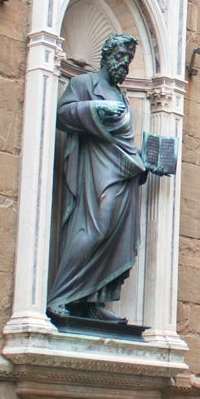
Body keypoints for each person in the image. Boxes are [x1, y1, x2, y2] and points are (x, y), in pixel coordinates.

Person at [48, 33, 165, 326]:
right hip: (97, 170)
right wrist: (95, 109)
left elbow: (124, 141)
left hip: (125, 171)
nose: (124, 63)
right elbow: (62, 114)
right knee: (95, 228)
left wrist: (147, 159)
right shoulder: (84, 84)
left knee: (115, 234)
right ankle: (59, 297)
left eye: (128, 59)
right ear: (106, 55)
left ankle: (91, 301)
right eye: (120, 56)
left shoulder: (123, 96)